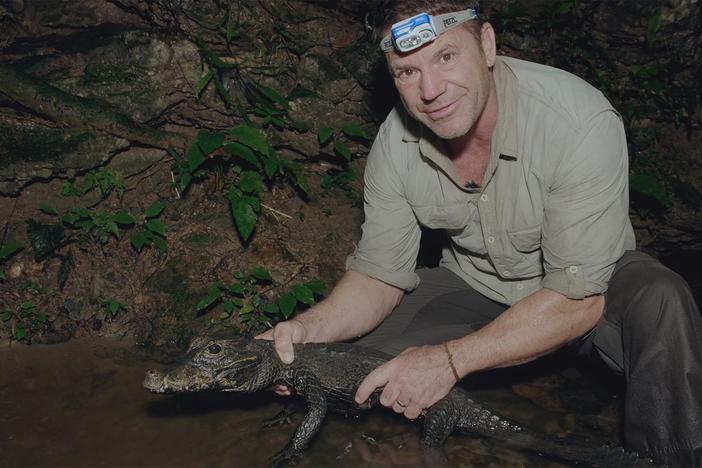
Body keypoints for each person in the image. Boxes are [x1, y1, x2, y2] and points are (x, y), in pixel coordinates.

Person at [259, 1, 702, 465]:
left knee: (661, 297)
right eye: (406, 72)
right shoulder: (396, 143)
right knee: (337, 363)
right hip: (479, 286)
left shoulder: (576, 119)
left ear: (486, 44)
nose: (430, 90)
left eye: (446, 57)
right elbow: (379, 276)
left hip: (588, 292)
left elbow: (578, 300)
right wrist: (306, 331)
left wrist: (448, 361)